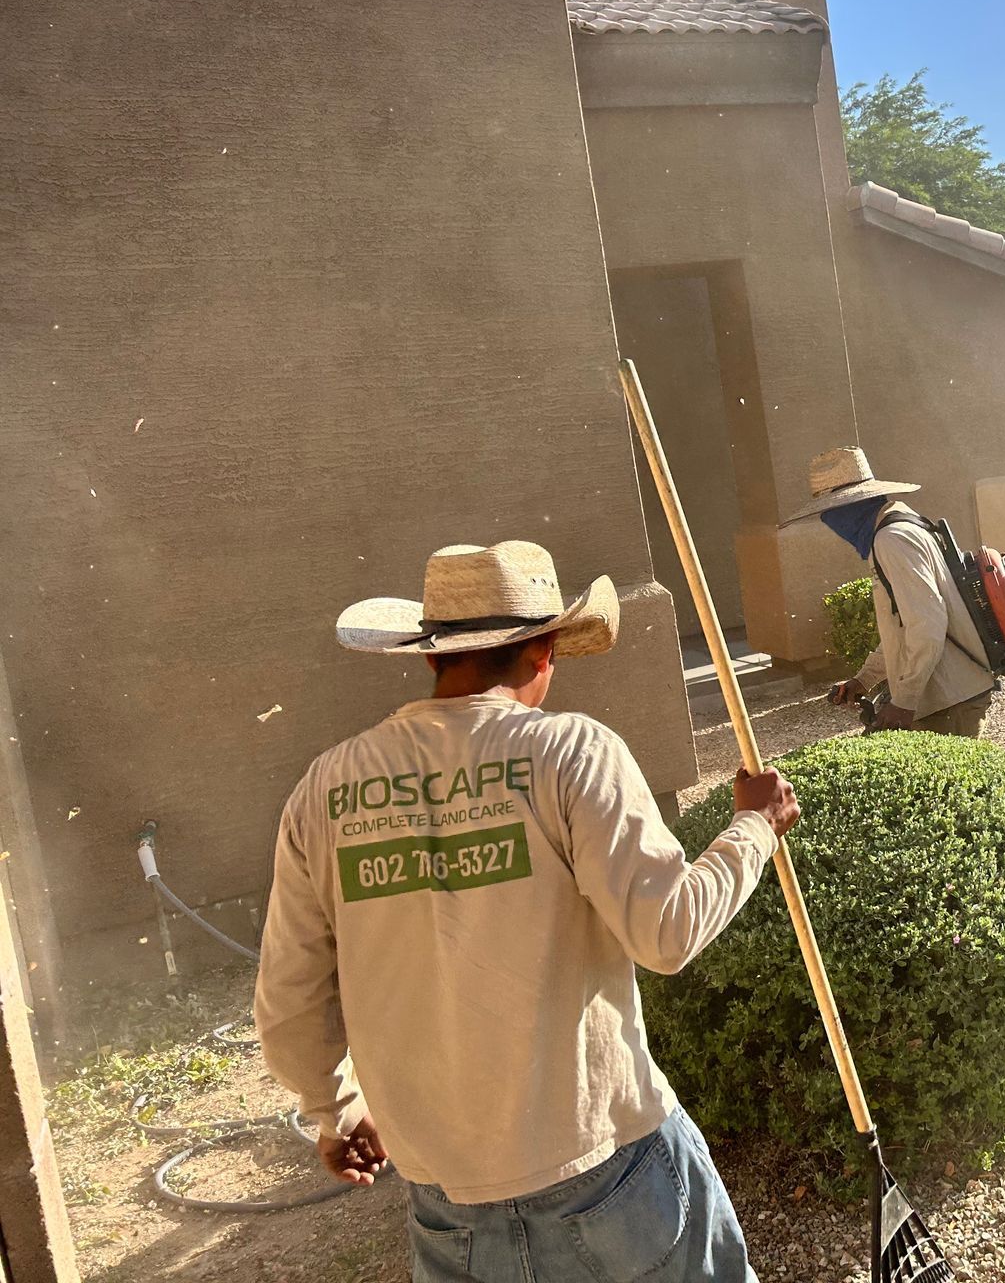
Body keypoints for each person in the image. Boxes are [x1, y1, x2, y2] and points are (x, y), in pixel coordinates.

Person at [254, 540, 796, 1283]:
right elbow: (666, 933)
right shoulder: (570, 753)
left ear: (431, 658)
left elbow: (287, 1006)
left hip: (448, 1206)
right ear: (545, 652)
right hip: (609, 1170)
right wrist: (754, 828)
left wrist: (335, 1110)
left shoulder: (327, 788)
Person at [784, 446, 995, 738]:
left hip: (948, 700)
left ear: (849, 507)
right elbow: (903, 625)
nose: (830, 523)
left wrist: (904, 702)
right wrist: (864, 679)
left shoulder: (890, 539)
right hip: (951, 695)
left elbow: (927, 624)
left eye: (831, 512)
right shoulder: (900, 525)